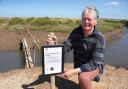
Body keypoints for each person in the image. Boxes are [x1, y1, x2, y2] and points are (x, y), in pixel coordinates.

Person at [47, 6, 105, 89]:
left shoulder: (99, 38)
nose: (86, 22)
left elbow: (95, 63)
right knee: (82, 80)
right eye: (84, 19)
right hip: (80, 65)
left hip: (95, 66)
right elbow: (67, 46)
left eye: (89, 19)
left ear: (96, 21)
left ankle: (95, 74)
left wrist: (73, 71)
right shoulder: (76, 32)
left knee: (83, 78)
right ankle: (93, 77)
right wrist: (55, 44)